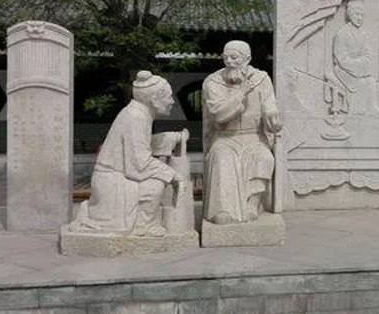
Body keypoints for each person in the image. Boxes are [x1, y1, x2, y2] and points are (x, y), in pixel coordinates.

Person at [69, 71, 186, 236]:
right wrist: (173, 175)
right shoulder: (137, 117)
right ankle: (142, 226)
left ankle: (143, 224)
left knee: (160, 179)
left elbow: (137, 146)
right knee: (156, 184)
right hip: (112, 182)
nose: (172, 101)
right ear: (154, 100)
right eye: (168, 96)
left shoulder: (136, 113)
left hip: (113, 178)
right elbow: (138, 165)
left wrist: (169, 138)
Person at [202, 40, 283, 224]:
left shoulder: (261, 79)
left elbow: (269, 103)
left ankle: (252, 203)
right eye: (226, 57)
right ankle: (222, 209)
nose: (229, 61)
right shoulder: (213, 82)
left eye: (234, 57)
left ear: (247, 59)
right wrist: (241, 93)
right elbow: (219, 114)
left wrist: (271, 114)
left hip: (254, 137)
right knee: (222, 158)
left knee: (264, 157)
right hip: (225, 137)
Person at [332, 0, 379, 115]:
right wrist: (357, 65)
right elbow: (341, 58)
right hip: (344, 69)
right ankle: (356, 111)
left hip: (360, 68)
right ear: (350, 15)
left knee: (371, 81)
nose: (359, 18)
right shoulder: (342, 33)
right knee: (360, 83)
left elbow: (369, 54)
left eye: (362, 15)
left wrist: (362, 64)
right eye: (357, 15)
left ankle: (371, 107)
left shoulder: (363, 34)